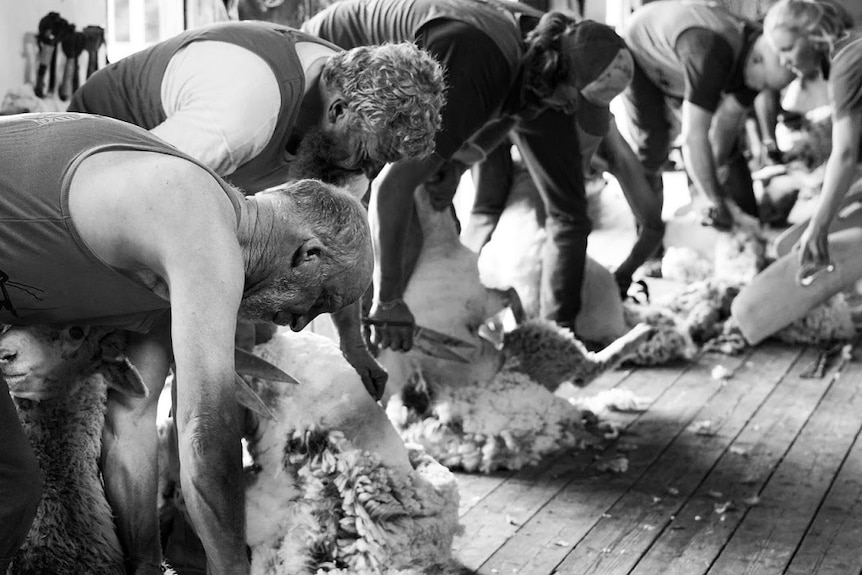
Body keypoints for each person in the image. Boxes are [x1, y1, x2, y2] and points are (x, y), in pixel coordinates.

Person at [0, 112, 374, 575]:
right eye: (320, 301)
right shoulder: (201, 223)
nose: (300, 325)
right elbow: (205, 434)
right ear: (309, 254)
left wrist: (146, 565)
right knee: (9, 491)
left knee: (12, 492)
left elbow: (132, 420)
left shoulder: (170, 273)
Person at [68, 20, 445, 398]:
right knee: (141, 374)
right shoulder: (243, 113)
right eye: (368, 157)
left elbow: (340, 248)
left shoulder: (352, 134)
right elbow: (132, 198)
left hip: (196, 179)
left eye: (381, 164)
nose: (368, 173)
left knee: (256, 329)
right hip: (94, 159)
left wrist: (354, 344)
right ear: (338, 111)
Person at [304, 0, 637, 341]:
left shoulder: (534, 55)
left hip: (401, 72)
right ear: (554, 69)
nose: (568, 108)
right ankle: (365, 335)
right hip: (330, 60)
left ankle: (380, 334)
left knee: (426, 207)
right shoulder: (475, 66)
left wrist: (460, 164)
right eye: (572, 99)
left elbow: (514, 110)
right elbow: (394, 188)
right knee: (384, 218)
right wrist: (390, 299)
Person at [622, 0, 795, 231]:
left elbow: (727, 122)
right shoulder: (710, 53)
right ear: (757, 60)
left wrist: (716, 169)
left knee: (730, 148)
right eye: (763, 83)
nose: (759, 90)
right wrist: (714, 198)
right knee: (654, 146)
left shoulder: (759, 57)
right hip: (641, 49)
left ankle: (753, 229)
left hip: (683, 54)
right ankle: (650, 240)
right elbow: (694, 137)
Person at [763, 0, 858, 281]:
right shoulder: (850, 48)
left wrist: (819, 225)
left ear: (815, 36)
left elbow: (846, 153)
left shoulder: (847, 64)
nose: (783, 61)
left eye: (787, 48)